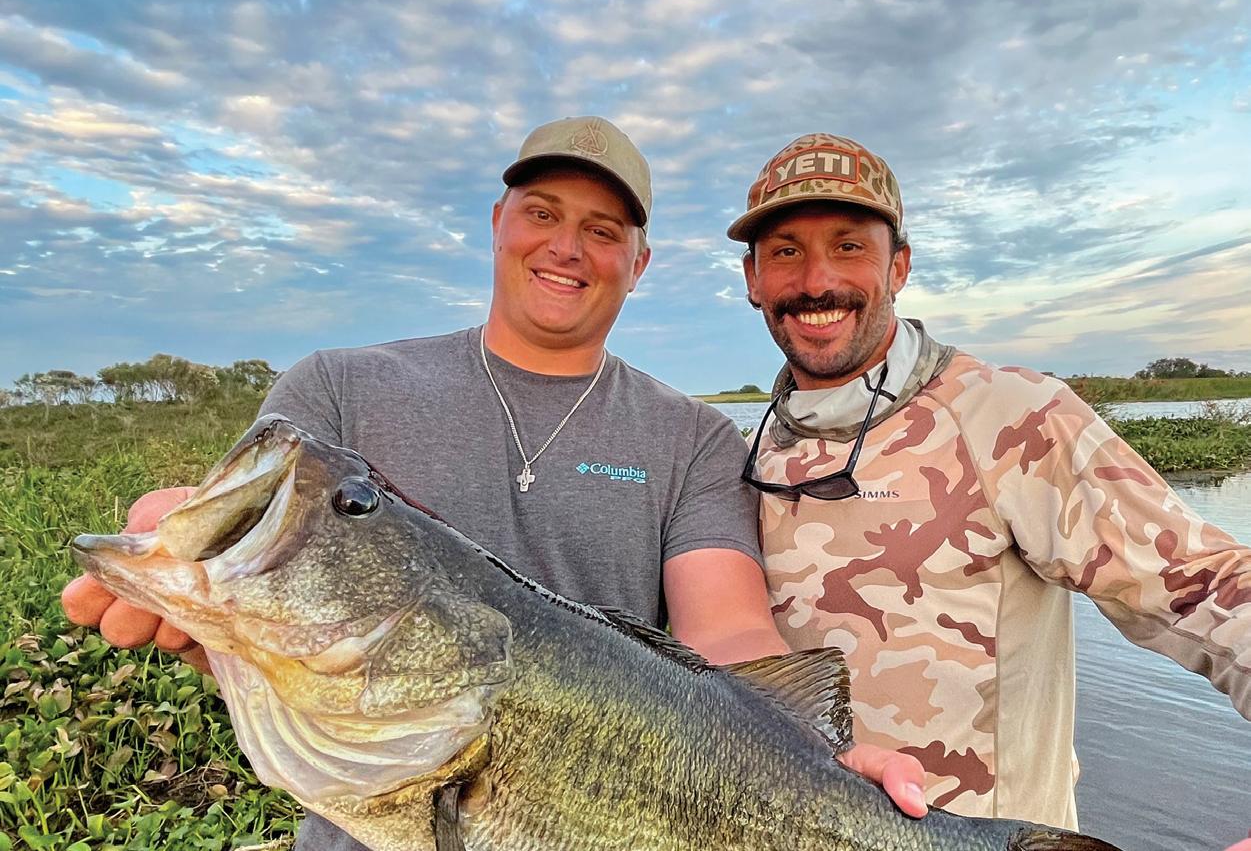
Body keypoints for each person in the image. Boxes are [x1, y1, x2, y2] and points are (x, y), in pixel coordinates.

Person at [63, 117, 927, 851]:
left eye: (602, 230)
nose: (566, 247)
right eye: (542, 213)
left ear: (638, 261)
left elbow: (727, 631)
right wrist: (202, 589)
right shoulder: (336, 389)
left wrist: (815, 765)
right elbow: (263, 598)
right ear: (496, 223)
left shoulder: (691, 435)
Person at [728, 132, 1251, 829]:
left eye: (849, 246)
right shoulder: (744, 453)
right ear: (752, 279)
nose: (816, 281)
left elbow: (1208, 585)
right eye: (786, 252)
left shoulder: (1012, 415)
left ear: (898, 266)